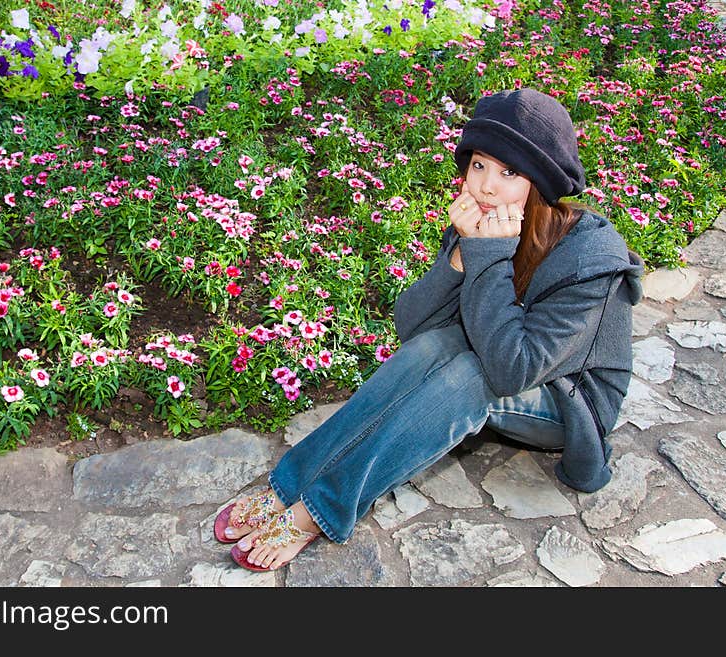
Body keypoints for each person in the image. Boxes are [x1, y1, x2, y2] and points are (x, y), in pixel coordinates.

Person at [212, 88, 644, 572]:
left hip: (565, 400)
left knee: (468, 380)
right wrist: (461, 257)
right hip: (499, 350)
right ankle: (289, 485)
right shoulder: (482, 226)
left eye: (509, 173)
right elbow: (414, 329)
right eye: (479, 165)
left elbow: (511, 370)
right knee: (437, 347)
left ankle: (320, 510)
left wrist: (489, 255)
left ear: (539, 185)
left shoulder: (592, 259)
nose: (486, 187)